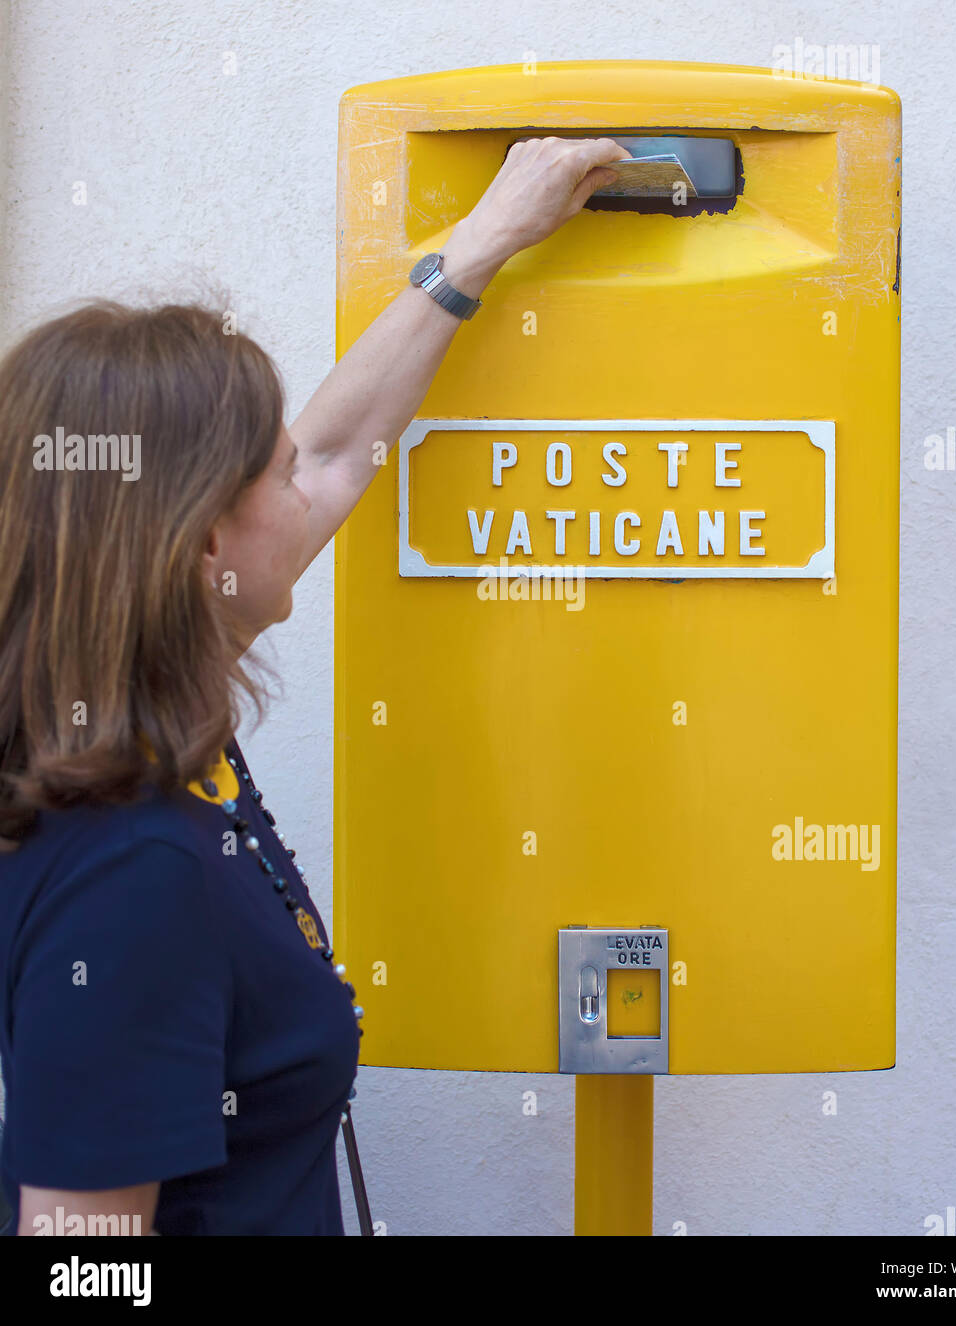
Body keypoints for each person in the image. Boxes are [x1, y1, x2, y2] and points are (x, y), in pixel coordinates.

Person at [0, 137, 630, 1236]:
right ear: (203, 548)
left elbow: (341, 451)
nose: (312, 491)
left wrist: (477, 248)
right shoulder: (132, 870)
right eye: (277, 476)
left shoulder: (126, 759)